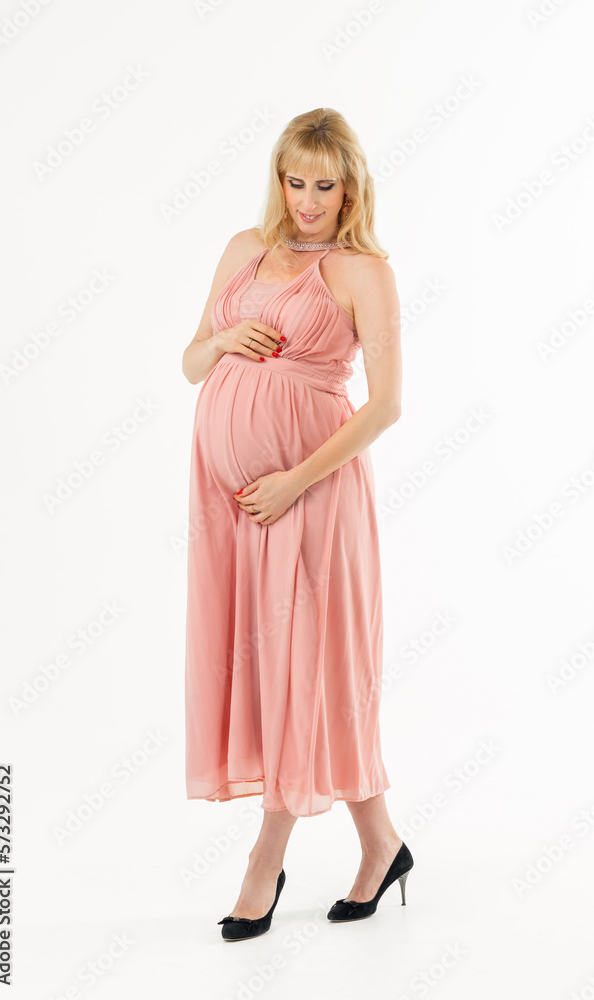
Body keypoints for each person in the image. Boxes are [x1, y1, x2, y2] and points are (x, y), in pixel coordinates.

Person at [182, 108, 413, 941]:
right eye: (295, 180)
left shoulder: (362, 272)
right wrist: (224, 340)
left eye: (325, 184)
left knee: (305, 669)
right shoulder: (245, 248)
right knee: (294, 668)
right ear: (278, 177)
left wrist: (290, 484)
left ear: (349, 186)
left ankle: (263, 862)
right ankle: (382, 843)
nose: (308, 200)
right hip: (233, 508)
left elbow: (385, 406)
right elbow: (188, 362)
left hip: (311, 496)